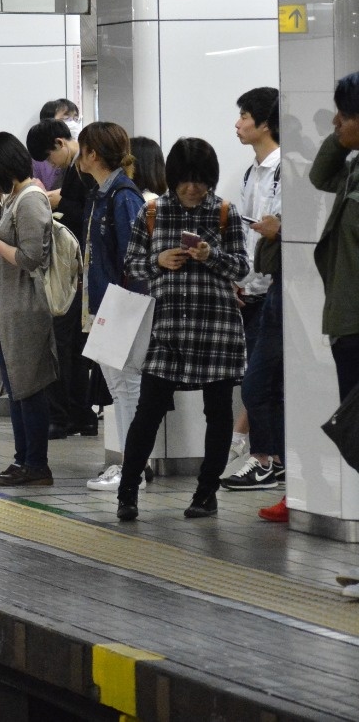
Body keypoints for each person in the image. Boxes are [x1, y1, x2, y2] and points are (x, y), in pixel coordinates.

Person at [115, 137, 251, 522]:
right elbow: (133, 266)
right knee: (148, 411)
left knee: (219, 412)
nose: (193, 188)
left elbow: (243, 268)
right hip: (168, 329)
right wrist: (158, 259)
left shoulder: (226, 213)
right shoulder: (153, 212)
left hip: (217, 329)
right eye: (185, 180)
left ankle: (206, 493)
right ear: (172, 177)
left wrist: (212, 255)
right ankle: (128, 492)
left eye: (201, 180)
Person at [0, 132, 60, 485]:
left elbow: (33, 258)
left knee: (28, 388)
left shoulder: (30, 200)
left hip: (26, 308)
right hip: (6, 307)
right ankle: (22, 460)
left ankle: (36, 463)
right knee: (17, 388)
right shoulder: (16, 197)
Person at [76, 122, 151, 492]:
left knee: (126, 387)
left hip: (122, 304)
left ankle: (133, 466)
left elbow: (133, 259)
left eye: (82, 148)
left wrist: (126, 306)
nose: (79, 155)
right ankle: (131, 464)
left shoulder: (123, 196)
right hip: (109, 304)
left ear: (93, 153)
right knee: (120, 387)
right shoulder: (105, 194)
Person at [222, 88, 286, 497]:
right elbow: (246, 236)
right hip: (251, 292)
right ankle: (274, 461)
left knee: (256, 384)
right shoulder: (252, 171)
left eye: (245, 116)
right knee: (265, 383)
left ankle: (266, 459)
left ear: (265, 123)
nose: (238, 123)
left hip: (275, 292)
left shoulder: (284, 169)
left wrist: (277, 228)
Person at [26, 117, 96, 439]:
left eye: (49, 157)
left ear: (59, 143)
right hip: (78, 268)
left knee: (67, 344)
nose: (50, 166)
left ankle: (67, 415)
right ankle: (80, 414)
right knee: (76, 347)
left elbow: (85, 214)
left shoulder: (81, 168)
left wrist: (57, 203)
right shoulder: (75, 169)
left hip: (76, 269)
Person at [313, 72, 359, 414]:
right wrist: (342, 139)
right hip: (348, 326)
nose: (334, 121)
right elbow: (321, 176)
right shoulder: (354, 169)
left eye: (342, 115)